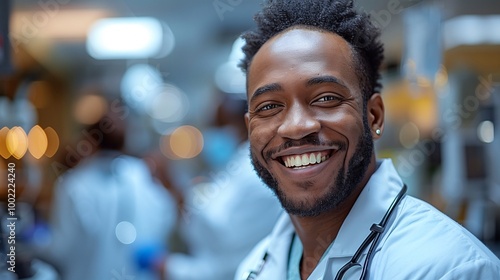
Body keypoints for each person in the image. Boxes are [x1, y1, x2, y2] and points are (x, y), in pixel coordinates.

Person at [233, 0, 500, 279]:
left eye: (326, 98)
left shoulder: (447, 267)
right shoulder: (254, 267)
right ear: (250, 129)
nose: (297, 127)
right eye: (269, 107)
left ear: (374, 116)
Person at [32, 106, 178, 280]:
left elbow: (61, 249)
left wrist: (36, 241)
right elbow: (166, 216)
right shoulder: (142, 176)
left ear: (91, 140)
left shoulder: (75, 185)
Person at [155, 93, 283, 280]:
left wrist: (173, 268)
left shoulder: (255, 177)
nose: (213, 134)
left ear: (244, 123)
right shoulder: (234, 168)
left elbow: (227, 251)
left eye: (219, 125)